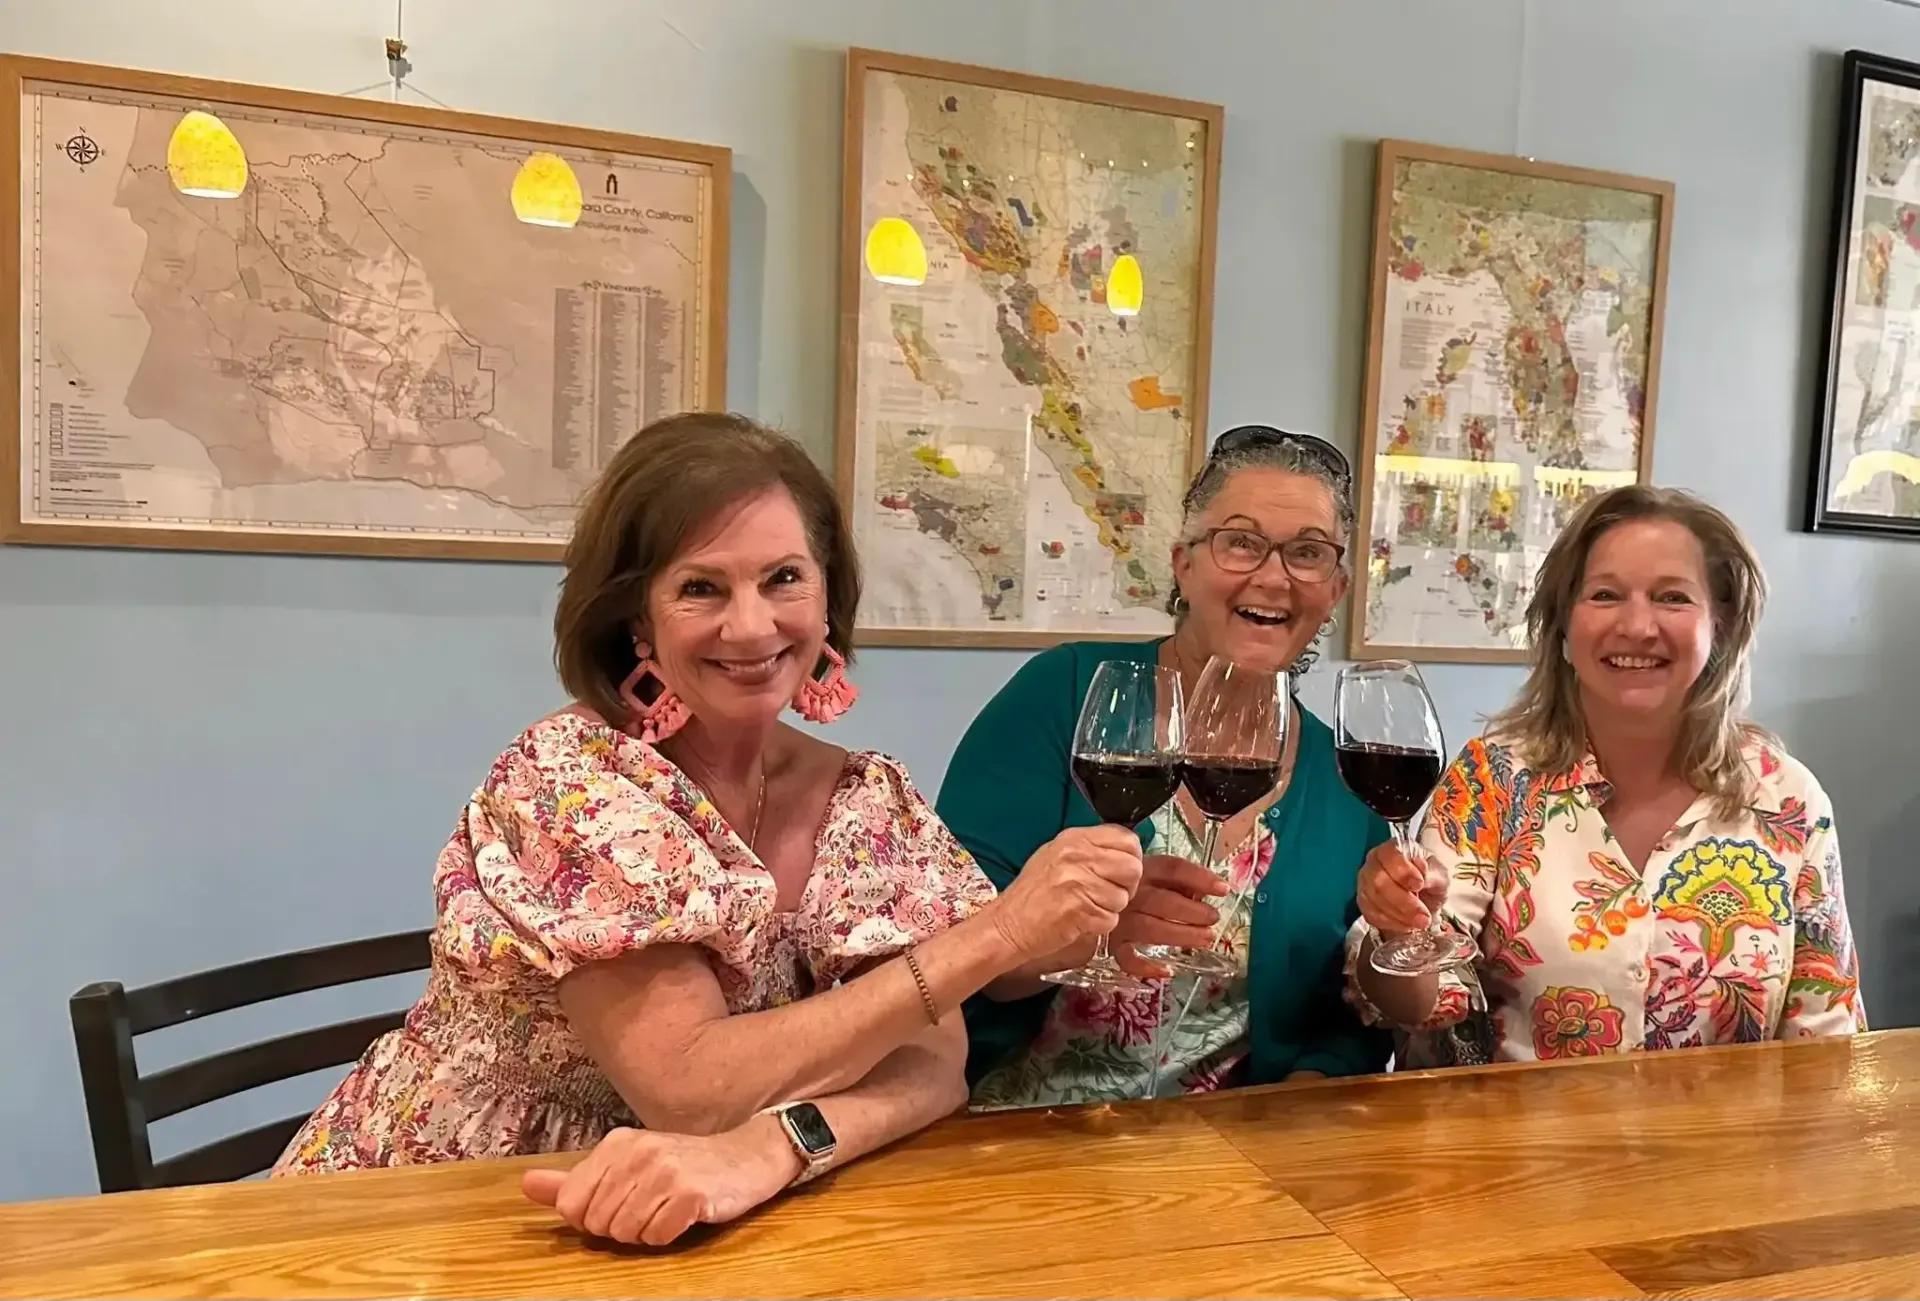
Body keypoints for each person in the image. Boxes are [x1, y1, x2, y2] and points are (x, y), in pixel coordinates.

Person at [271, 413, 1146, 1248]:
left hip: (719, 1213)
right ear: (635, 621)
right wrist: (997, 935)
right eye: (701, 587)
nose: (752, 624)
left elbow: (931, 1062)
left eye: (784, 578)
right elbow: (689, 1090)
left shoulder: (863, 797)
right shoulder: (574, 779)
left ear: (828, 597)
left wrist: (775, 1146)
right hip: (461, 1201)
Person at [941, 425, 1393, 1108]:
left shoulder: (1344, 779)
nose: (1273, 577)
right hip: (1015, 1130)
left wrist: (1291, 1111)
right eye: (1240, 542)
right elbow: (942, 950)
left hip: (1230, 1148)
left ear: (1335, 590)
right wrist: (1082, 937)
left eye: (1308, 552)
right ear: (1185, 565)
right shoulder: (1063, 698)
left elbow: (1345, 1024)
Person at [1351, 485, 1865, 1065]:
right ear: (1563, 625)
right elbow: (1422, 1006)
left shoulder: (1789, 800)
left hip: (1731, 1129)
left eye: (1672, 597)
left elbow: (1827, 1038)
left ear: (1720, 624)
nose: (1638, 626)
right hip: (1509, 1126)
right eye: (1605, 595)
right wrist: (1399, 931)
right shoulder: (1493, 780)